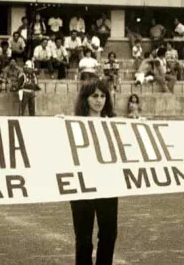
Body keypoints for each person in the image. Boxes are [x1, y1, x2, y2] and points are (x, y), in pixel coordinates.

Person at [69, 79, 119, 265]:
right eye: (94, 96)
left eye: (103, 96)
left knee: (109, 234)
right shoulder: (72, 124)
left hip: (108, 184)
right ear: (85, 99)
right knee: (83, 239)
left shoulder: (113, 123)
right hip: (81, 186)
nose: (99, 100)